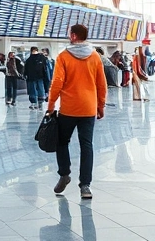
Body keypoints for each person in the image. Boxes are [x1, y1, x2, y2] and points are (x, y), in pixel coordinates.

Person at [46, 24, 106, 200]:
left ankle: (64, 174)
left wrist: (51, 104)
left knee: (62, 142)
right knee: (86, 146)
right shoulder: (95, 56)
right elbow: (101, 83)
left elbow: (57, 81)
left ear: (72, 36)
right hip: (88, 108)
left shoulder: (63, 56)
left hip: (69, 109)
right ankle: (85, 186)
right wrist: (100, 105)